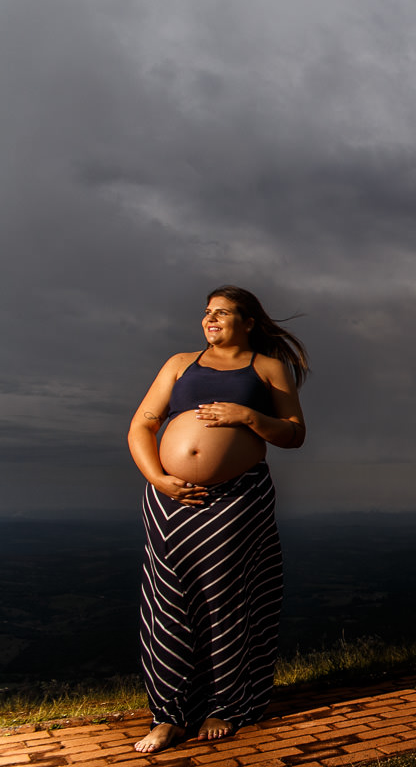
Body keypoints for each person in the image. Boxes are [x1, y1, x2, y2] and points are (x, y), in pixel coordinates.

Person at [127, 286, 309, 753]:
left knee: (226, 598)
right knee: (168, 600)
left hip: (236, 499)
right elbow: (143, 424)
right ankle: (168, 714)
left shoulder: (268, 367)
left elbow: (293, 434)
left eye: (222, 313)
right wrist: (158, 478)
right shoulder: (178, 364)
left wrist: (249, 416)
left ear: (248, 322)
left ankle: (224, 704)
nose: (210, 320)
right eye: (207, 312)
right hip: (170, 501)